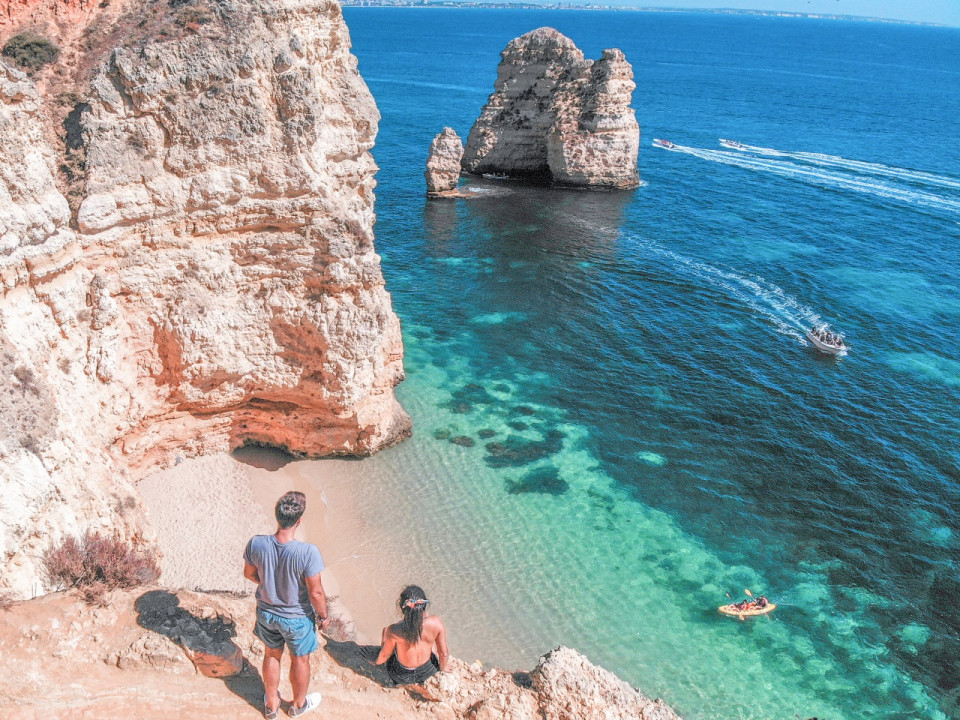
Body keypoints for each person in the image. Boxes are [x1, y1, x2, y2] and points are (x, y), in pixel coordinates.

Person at [244, 491, 330, 719]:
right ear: (298, 521)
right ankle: (298, 704)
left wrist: (271, 584)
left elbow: (249, 573)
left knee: (272, 653)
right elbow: (316, 592)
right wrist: (323, 616)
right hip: (297, 618)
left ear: (277, 516)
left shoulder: (257, 543)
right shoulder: (307, 552)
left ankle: (272, 704)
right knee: (300, 659)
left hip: (266, 613)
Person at [373, 585, 450, 687]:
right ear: (424, 606)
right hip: (427, 672)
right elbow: (443, 654)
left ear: (402, 607)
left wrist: (376, 663)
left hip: (401, 676)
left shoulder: (393, 630)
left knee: (385, 631)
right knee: (431, 645)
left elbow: (384, 656)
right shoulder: (436, 623)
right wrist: (443, 668)